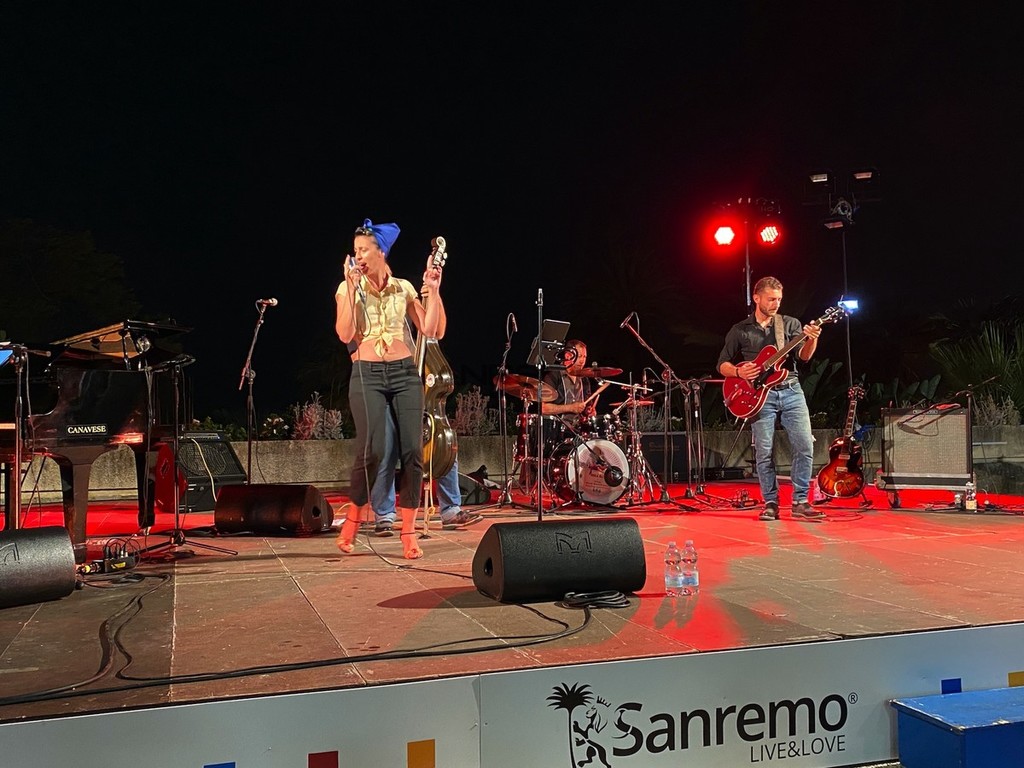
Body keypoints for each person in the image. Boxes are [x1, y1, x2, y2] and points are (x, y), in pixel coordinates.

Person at [334, 218, 444, 559]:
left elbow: (432, 330)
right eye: (355, 251)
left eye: (364, 250)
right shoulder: (348, 289)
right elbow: (344, 333)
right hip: (366, 374)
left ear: (380, 252)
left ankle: (408, 532)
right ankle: (353, 519)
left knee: (412, 452)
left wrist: (434, 290)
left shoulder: (404, 288)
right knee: (373, 450)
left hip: (404, 373)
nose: (358, 256)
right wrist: (350, 286)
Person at [717, 276, 825, 522]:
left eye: (779, 299)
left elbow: (804, 357)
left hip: (791, 389)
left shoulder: (789, 324)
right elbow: (722, 364)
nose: (776, 304)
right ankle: (771, 503)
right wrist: (738, 372)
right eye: (771, 299)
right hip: (759, 396)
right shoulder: (740, 330)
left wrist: (812, 338)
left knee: (805, 446)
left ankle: (800, 501)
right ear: (756, 298)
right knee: (764, 451)